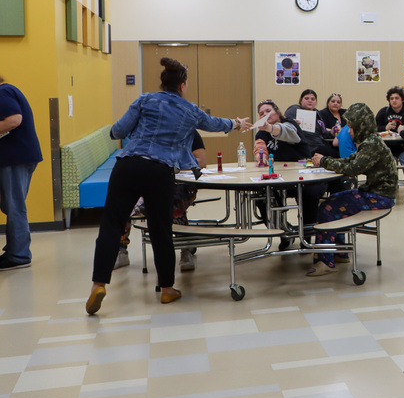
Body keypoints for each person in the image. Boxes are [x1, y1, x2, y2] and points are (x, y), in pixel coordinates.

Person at [86, 58, 251, 314]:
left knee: (111, 223)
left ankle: (98, 284)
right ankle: (166, 290)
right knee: (161, 228)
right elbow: (215, 123)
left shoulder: (144, 100)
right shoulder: (190, 110)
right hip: (159, 170)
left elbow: (118, 131)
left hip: (128, 164)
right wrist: (237, 123)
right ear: (182, 86)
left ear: (163, 83)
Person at [309, 103, 398, 276]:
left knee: (327, 208)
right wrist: (327, 160)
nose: (349, 132)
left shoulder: (371, 144)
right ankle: (340, 252)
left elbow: (353, 168)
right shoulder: (370, 141)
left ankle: (325, 261)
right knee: (334, 203)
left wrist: (324, 161)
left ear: (361, 126)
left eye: (351, 127)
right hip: (376, 193)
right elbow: (351, 160)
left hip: (380, 197)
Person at [114, 130, 206, 272]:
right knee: (125, 202)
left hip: (181, 183)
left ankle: (186, 249)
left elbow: (202, 161)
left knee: (173, 203)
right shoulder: (152, 130)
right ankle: (121, 251)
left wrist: (173, 167)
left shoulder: (189, 132)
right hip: (151, 181)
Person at [253, 99, 333, 236]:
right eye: (261, 113)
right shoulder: (262, 133)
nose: (264, 114)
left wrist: (270, 128)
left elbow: (288, 133)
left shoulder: (289, 123)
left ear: (277, 112)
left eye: (268, 111)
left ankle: (307, 235)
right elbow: (259, 147)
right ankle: (283, 233)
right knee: (261, 196)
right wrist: (261, 157)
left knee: (310, 193)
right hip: (281, 178)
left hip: (304, 176)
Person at [0, 75, 43, 271]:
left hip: (16, 158)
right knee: (10, 204)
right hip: (19, 156)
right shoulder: (8, 90)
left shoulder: (3, 92)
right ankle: (15, 248)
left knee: (14, 204)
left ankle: (19, 255)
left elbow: (14, 120)